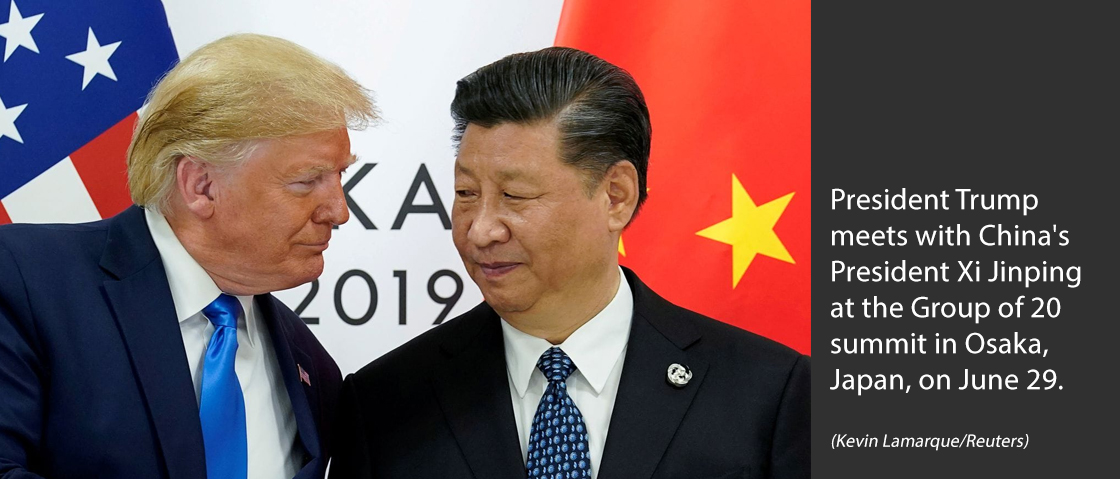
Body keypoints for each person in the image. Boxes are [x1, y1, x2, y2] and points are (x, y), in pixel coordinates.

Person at [330, 47, 809, 479]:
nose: (480, 230)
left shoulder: (770, 393)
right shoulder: (385, 402)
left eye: (515, 196)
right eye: (466, 194)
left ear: (616, 196)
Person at [0, 34, 377, 479]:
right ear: (200, 185)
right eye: (307, 181)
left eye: (339, 176)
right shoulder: (24, 282)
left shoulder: (312, 365)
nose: (339, 211)